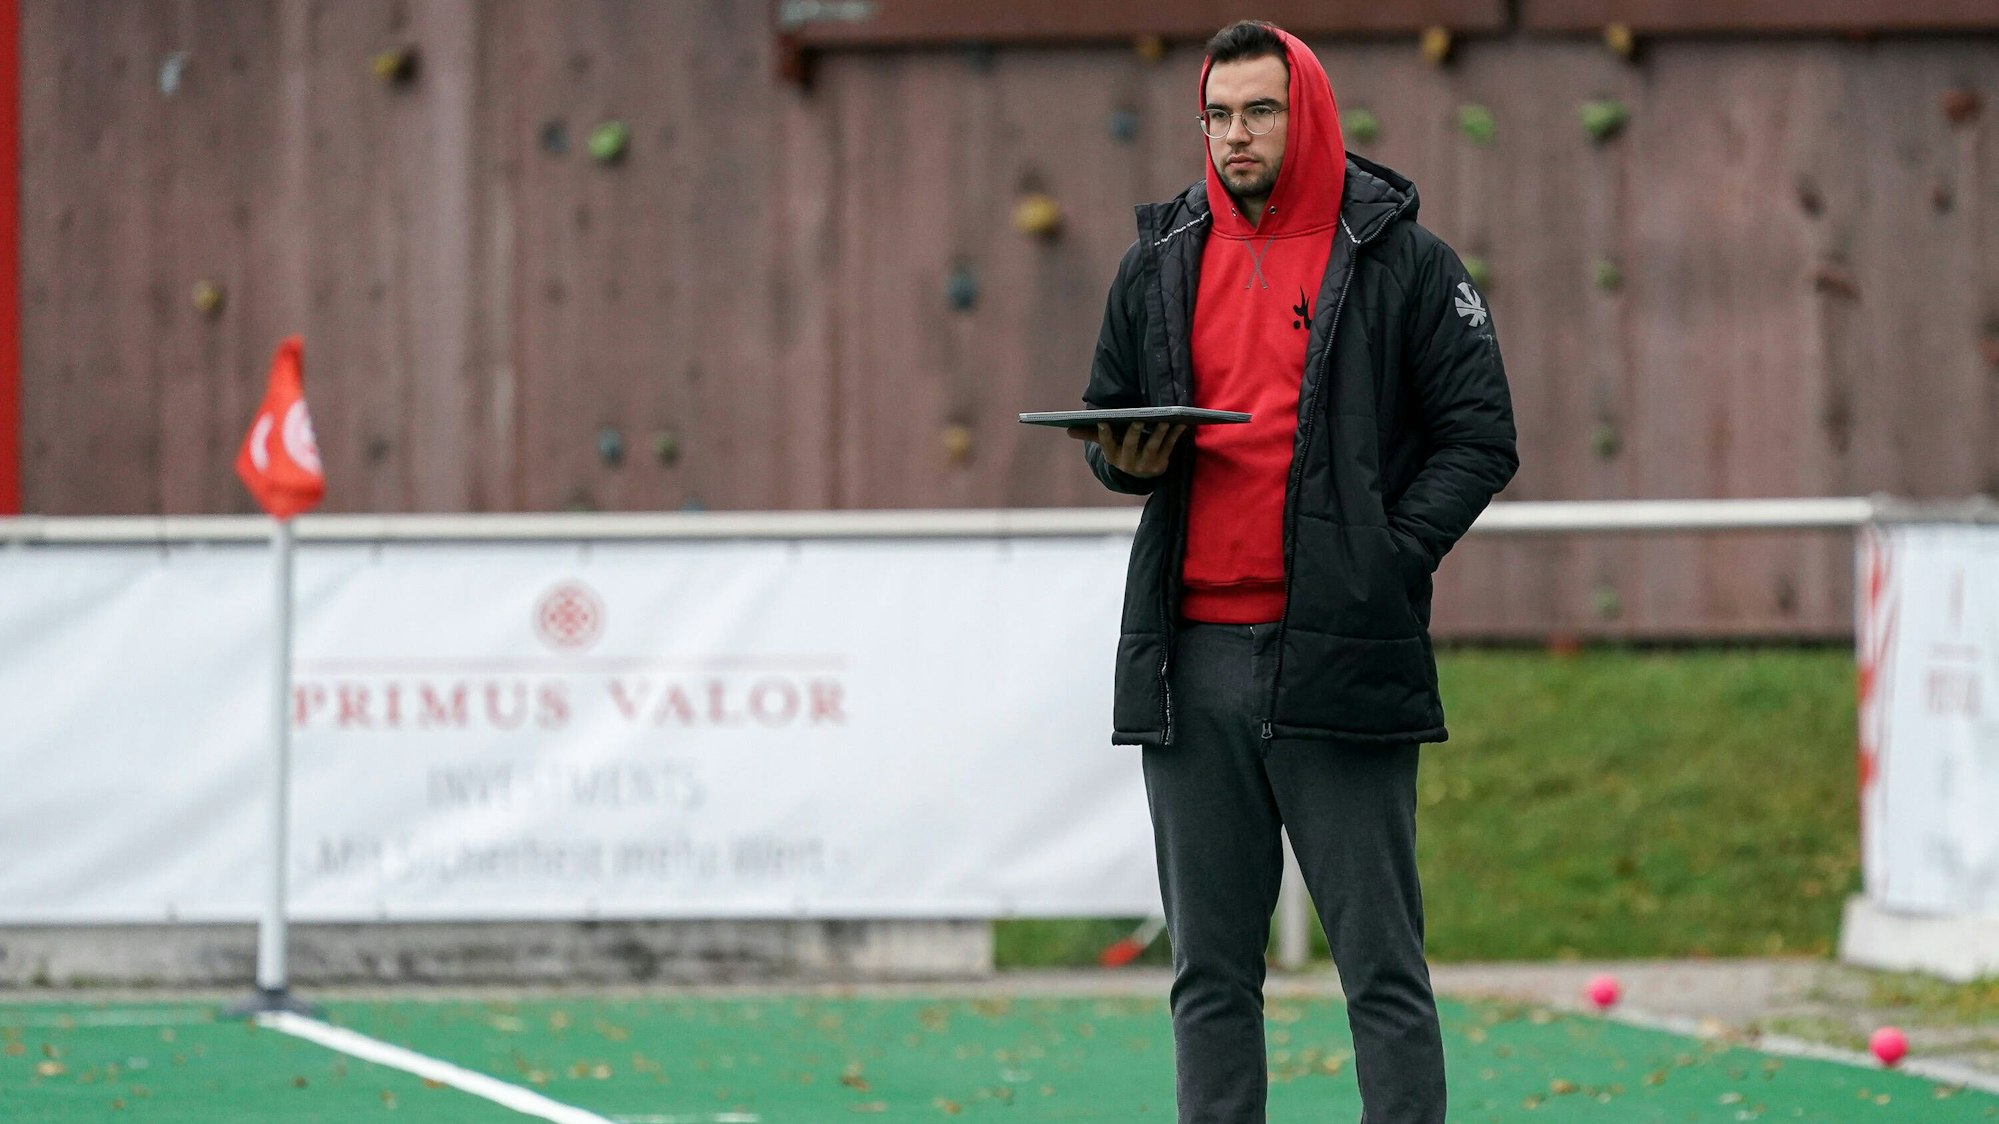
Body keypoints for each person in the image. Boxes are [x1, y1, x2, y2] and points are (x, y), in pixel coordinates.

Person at [1069, 20, 1518, 1124]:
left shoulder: (1403, 260)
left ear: (1305, 112)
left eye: (1258, 111)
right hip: (1191, 660)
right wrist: (1118, 459)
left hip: (1338, 653)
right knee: (1209, 976)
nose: (1234, 136)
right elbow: (1108, 421)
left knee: (1382, 971)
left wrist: (1385, 559)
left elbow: (1481, 436)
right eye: (1216, 115)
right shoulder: (1158, 259)